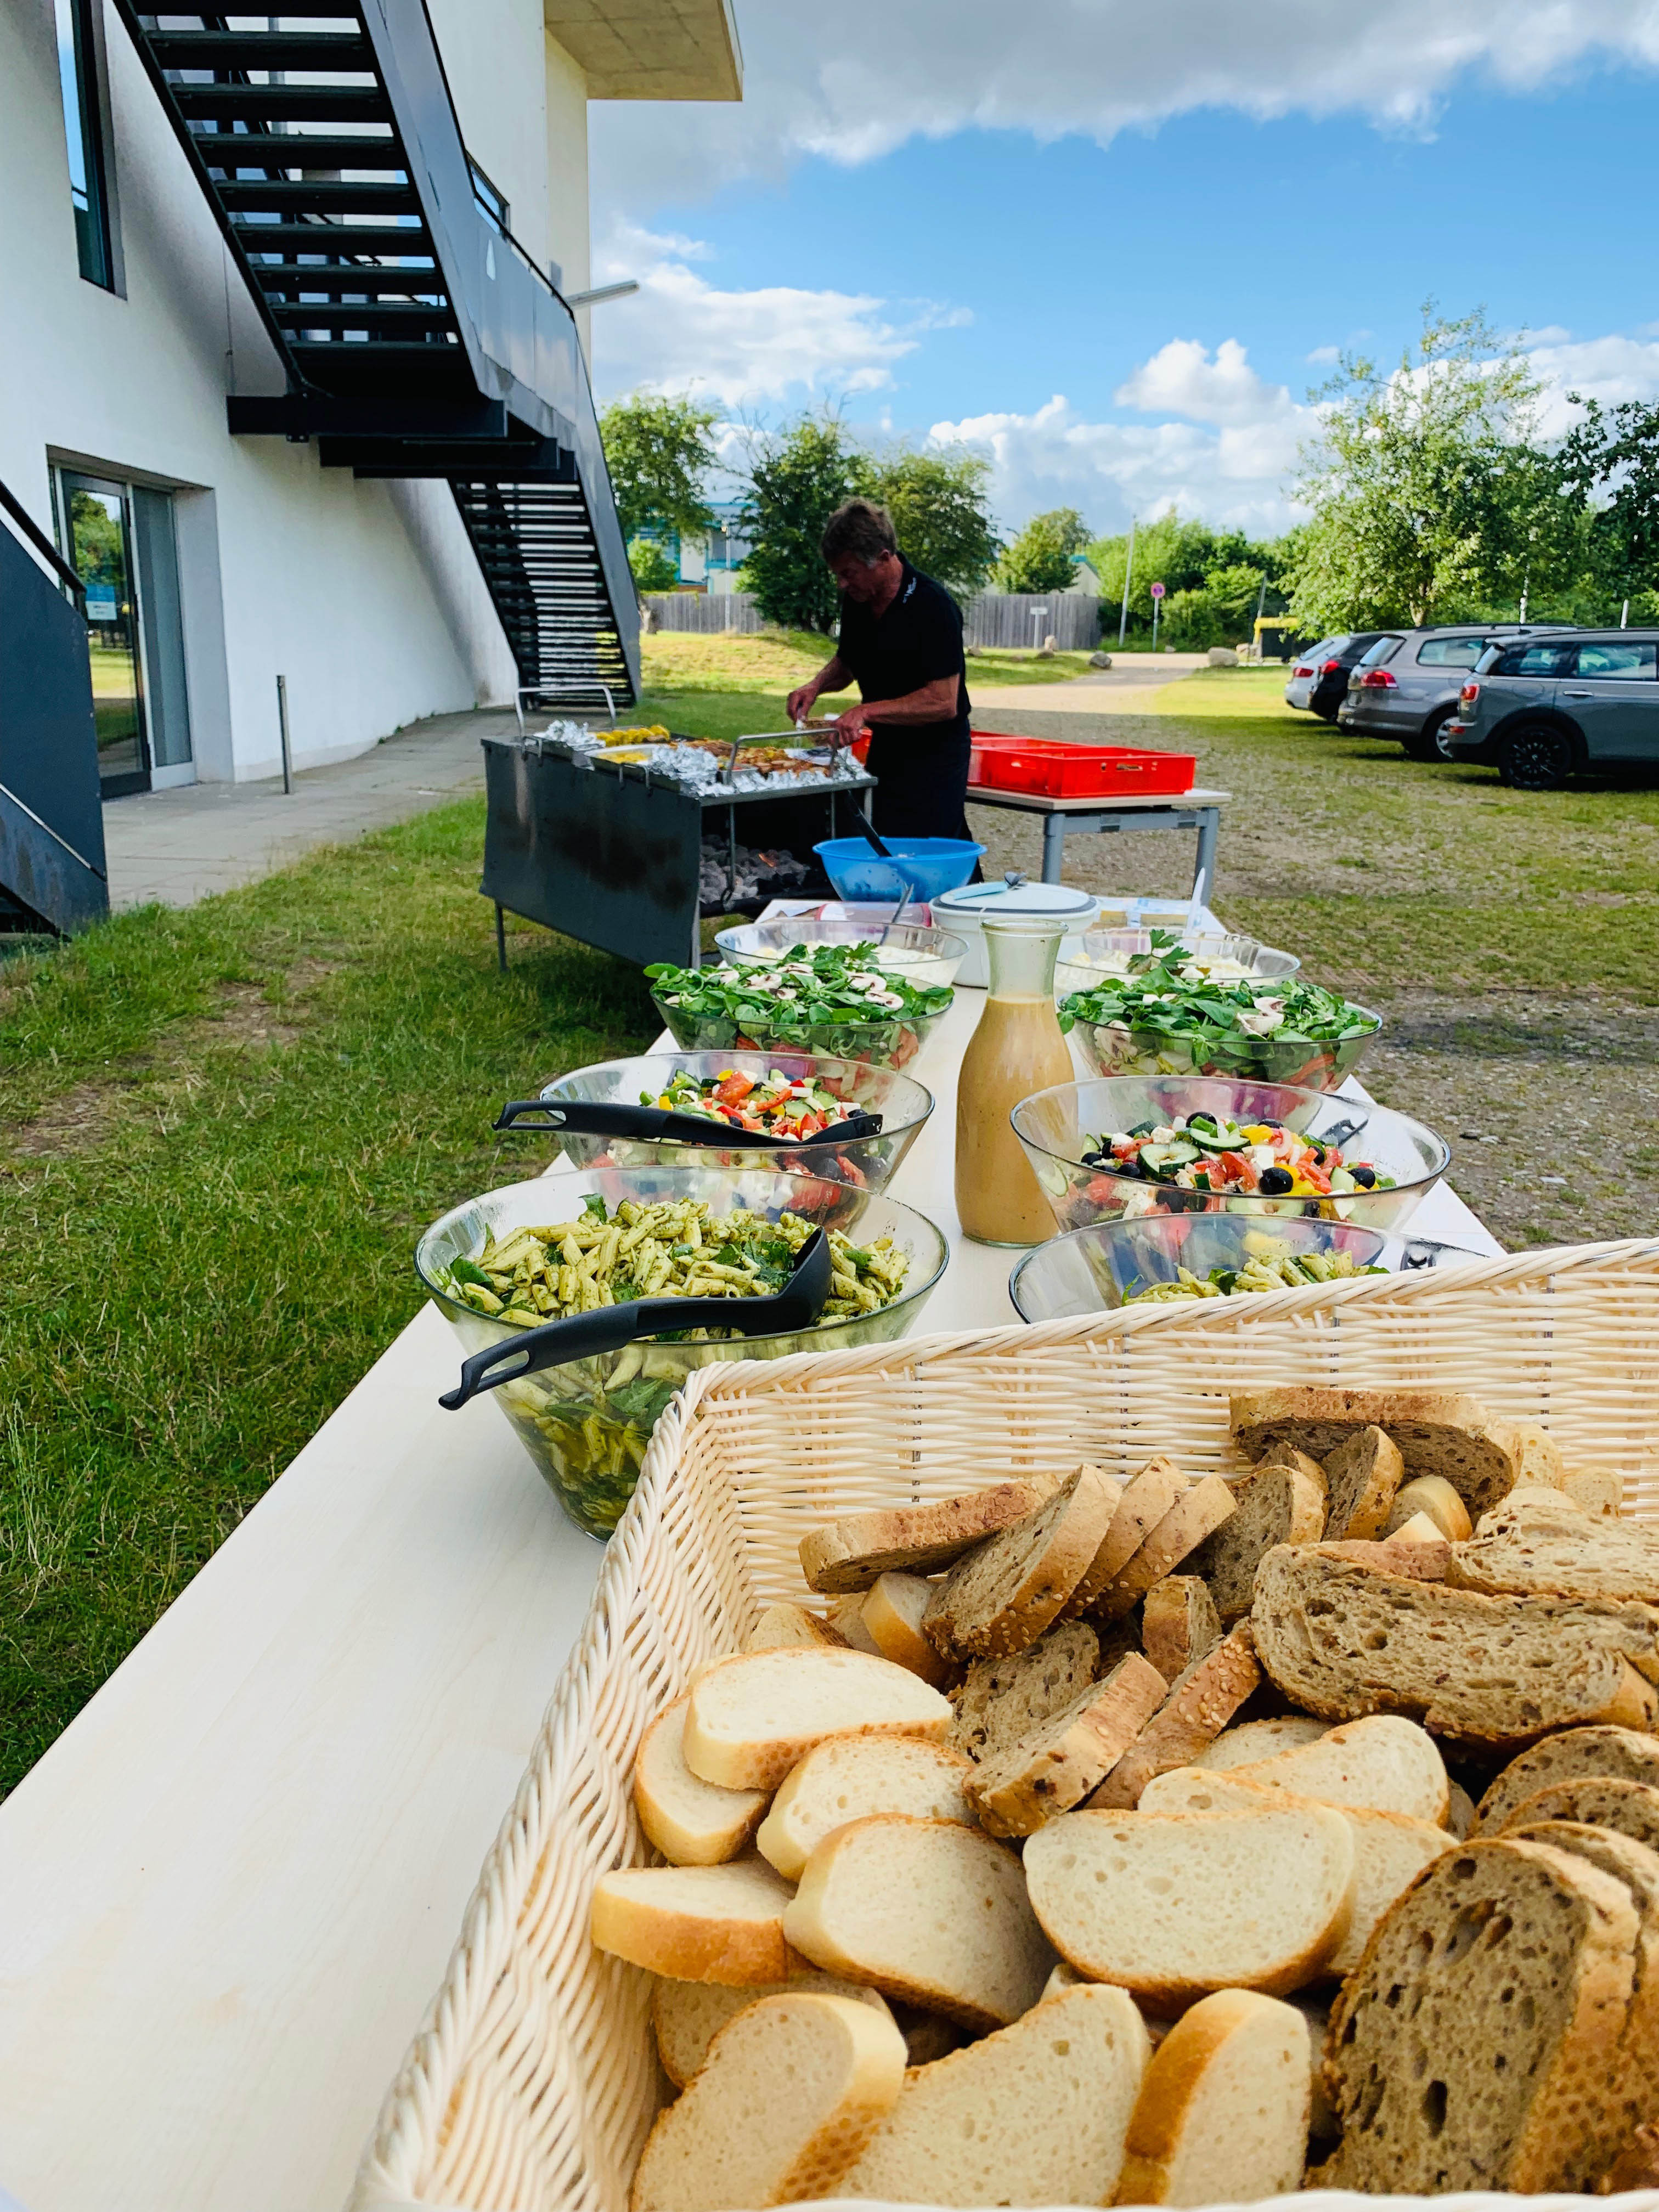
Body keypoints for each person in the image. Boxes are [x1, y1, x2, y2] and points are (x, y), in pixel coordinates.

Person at [785, 499, 976, 844]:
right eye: (838, 574)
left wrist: (865, 711)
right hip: (888, 746)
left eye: (849, 572)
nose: (842, 584)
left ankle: (965, 897)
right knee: (882, 841)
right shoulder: (859, 601)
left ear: (885, 558)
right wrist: (816, 686)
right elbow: (849, 663)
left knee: (929, 849)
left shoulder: (933, 606)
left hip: (936, 755)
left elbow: (943, 700)